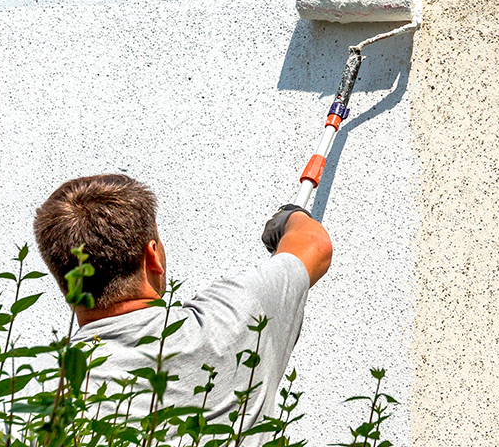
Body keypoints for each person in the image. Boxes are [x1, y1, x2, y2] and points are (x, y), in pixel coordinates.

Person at [33, 174, 333, 438]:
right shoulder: (230, 318)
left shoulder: (38, 393)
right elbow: (315, 245)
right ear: (152, 256)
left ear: (62, 277)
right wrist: (288, 218)